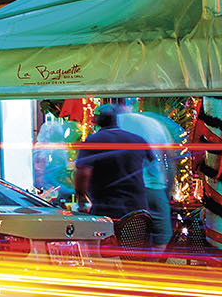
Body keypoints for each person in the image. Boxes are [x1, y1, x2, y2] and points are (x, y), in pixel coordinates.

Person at [73, 104, 156, 233]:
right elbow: (153, 169)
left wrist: (81, 198)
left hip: (107, 209)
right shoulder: (138, 140)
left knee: (105, 250)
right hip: (137, 210)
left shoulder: (93, 141)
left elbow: (83, 174)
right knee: (134, 249)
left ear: (96, 120)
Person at [115, 98, 182, 248]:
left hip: (121, 191)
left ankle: (129, 265)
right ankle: (150, 265)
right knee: (162, 236)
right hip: (153, 188)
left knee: (122, 236)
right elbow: (170, 161)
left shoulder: (111, 125)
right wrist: (166, 192)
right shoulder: (154, 124)